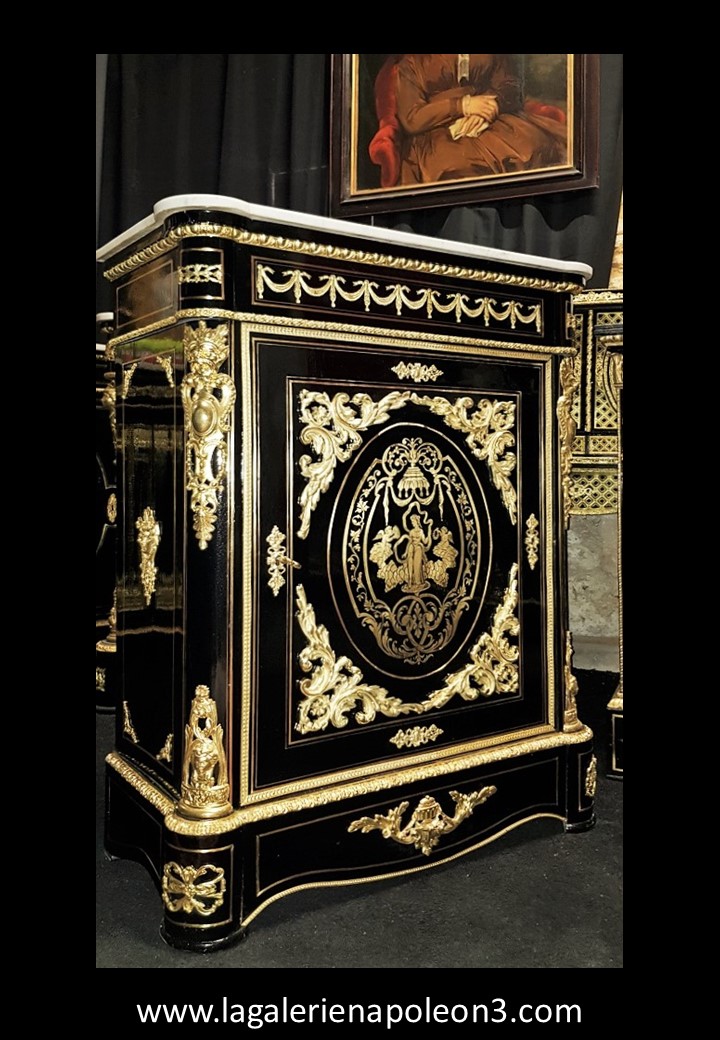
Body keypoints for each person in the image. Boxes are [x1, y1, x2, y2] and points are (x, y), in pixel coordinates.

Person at [394, 54, 567, 185]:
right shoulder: (411, 61)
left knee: (536, 148)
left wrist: (488, 108)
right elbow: (411, 117)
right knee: (460, 168)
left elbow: (509, 84)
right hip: (437, 130)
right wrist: (463, 106)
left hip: (491, 120)